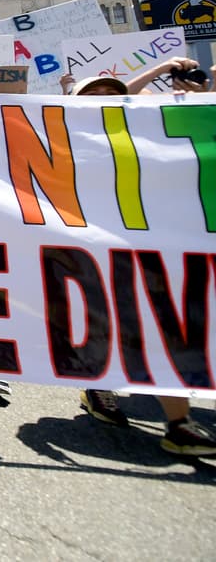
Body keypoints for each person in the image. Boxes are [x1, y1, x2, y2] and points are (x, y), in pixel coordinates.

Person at [67, 73, 216, 457]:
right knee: (109, 323)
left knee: (167, 326)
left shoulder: (151, 135)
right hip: (95, 249)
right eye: (93, 93)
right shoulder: (64, 137)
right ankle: (100, 386)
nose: (103, 98)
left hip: (155, 247)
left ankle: (179, 423)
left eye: (111, 93)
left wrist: (198, 98)